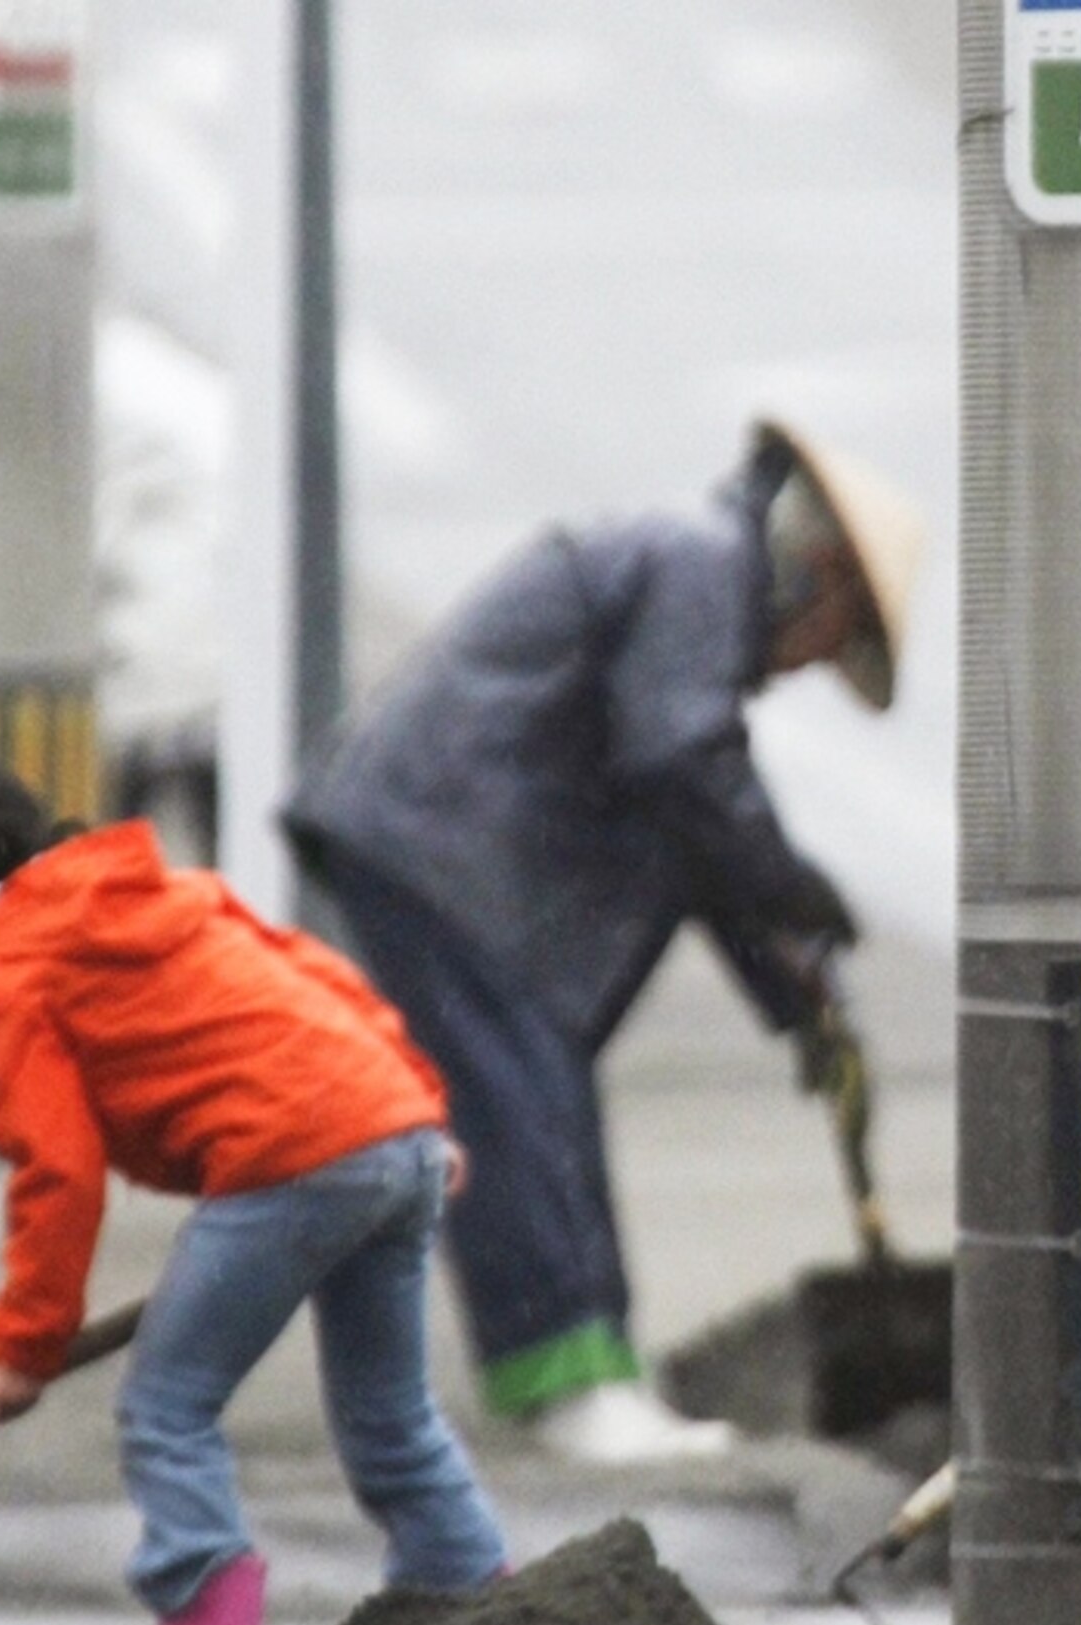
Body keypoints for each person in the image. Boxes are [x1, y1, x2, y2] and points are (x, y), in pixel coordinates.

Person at [0, 734, 513, 1625]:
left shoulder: (5, 983)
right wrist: (414, 1107)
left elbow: (58, 1175)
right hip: (385, 1135)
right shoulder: (148, 888)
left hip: (287, 1155)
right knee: (389, 1413)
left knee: (166, 1408)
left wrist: (22, 1343)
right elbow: (309, 972)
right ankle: (477, 1623)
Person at [286, 419, 924, 1466]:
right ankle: (569, 1384)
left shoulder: (697, 583)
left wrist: (799, 989)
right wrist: (792, 888)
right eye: (840, 639)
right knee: (514, 1095)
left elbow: (696, 831)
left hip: (464, 849)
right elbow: (683, 767)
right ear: (822, 575)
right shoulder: (700, 567)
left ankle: (592, 1369)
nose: (816, 668)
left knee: (537, 1087)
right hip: (448, 842)